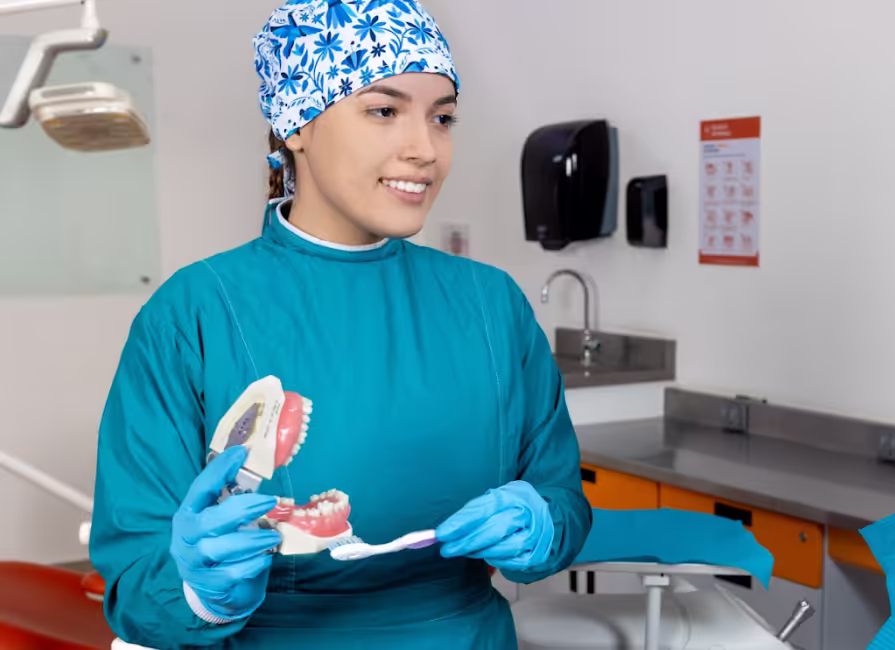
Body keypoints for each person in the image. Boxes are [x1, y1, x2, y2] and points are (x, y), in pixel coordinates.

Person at [88, 1, 592, 647]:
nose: (425, 149)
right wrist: (197, 592)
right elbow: (134, 582)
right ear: (296, 124)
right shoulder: (193, 313)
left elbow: (562, 497)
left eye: (442, 118)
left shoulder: (491, 304)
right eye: (384, 111)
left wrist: (545, 525)